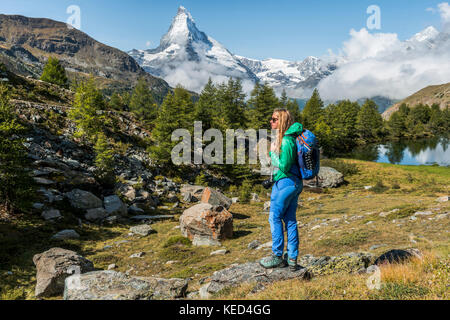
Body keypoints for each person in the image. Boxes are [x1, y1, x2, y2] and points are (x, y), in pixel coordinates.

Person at [259, 108, 304, 271]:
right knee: (290, 219)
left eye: (274, 119)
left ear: (282, 121)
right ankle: (292, 258)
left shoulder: (286, 140)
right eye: (271, 119)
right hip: (294, 183)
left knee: (274, 217)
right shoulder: (292, 138)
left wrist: (272, 154)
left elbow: (284, 165)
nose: (271, 122)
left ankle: (277, 256)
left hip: (286, 184)